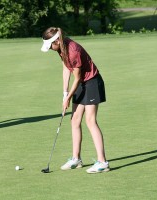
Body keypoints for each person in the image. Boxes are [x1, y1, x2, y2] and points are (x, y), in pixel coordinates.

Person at [41, 27, 109, 174]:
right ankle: (76, 159)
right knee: (75, 120)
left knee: (90, 121)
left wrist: (69, 98)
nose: (51, 49)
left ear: (57, 41)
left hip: (91, 82)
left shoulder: (73, 51)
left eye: (51, 45)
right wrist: (65, 93)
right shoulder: (61, 49)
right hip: (81, 83)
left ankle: (103, 162)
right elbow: (66, 69)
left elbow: (77, 78)